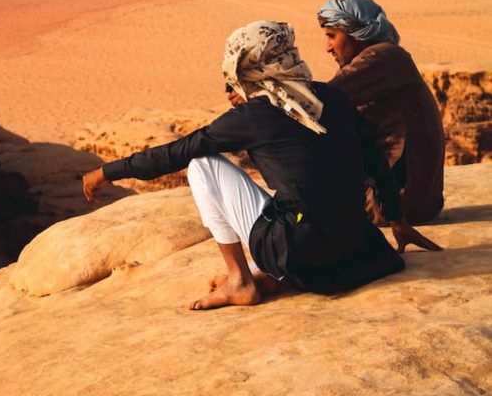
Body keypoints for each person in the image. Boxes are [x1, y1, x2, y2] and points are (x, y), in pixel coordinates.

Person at [83, 21, 439, 311]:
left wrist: (106, 171)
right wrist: (396, 218)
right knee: (298, 204)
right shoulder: (331, 97)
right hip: (360, 251)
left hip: (304, 252)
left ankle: (240, 281)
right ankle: (269, 275)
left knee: (201, 165)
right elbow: (374, 158)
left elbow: (177, 152)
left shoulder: (254, 115)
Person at [318, 0, 445, 224]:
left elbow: (321, 100)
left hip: (396, 202)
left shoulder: (384, 56)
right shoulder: (385, 58)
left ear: (356, 32)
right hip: (414, 200)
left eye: (331, 36)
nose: (327, 47)